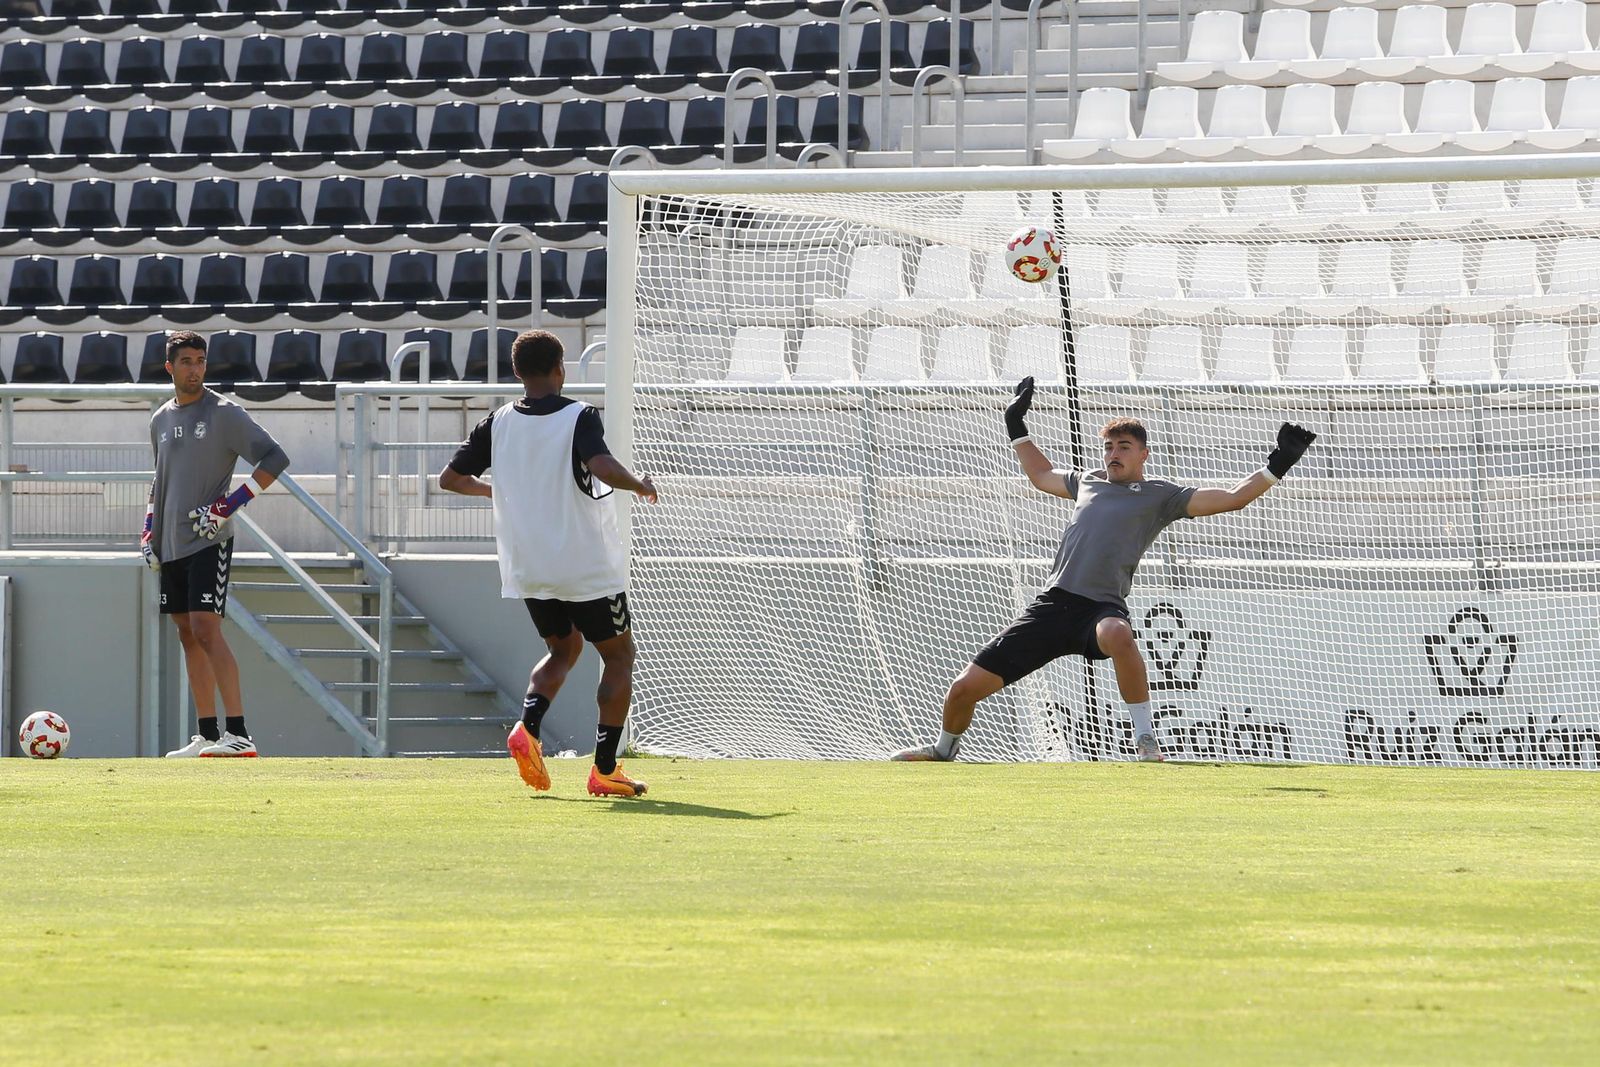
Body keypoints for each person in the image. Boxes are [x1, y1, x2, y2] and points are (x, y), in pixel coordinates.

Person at [893, 376, 1317, 764]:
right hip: (1052, 606)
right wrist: (1015, 424)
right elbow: (1040, 475)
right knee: (963, 690)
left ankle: (1147, 740)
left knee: (1118, 634)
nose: (1113, 455)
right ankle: (944, 750)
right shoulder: (1087, 481)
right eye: (1109, 447)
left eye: (1124, 448)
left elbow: (1231, 497)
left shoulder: (1161, 496)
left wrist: (1278, 463)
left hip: (1100, 608)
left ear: (1143, 454)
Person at [439, 329, 659, 797]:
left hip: (529, 566)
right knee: (618, 656)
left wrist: (497, 491)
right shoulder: (579, 416)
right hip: (584, 566)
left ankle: (528, 728)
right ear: (561, 369)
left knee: (564, 650)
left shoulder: (497, 422)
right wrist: (639, 484)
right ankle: (604, 770)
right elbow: (600, 466)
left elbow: (451, 478)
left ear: (517, 373)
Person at [147, 331, 291, 758]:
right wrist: (148, 528)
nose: (195, 368)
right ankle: (208, 735)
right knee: (187, 632)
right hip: (169, 542)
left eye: (200, 360)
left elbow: (275, 458)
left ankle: (239, 733)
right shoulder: (159, 420)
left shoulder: (225, 413)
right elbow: (159, 480)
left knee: (207, 629)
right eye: (186, 361)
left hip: (208, 539)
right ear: (169, 367)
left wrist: (229, 505)